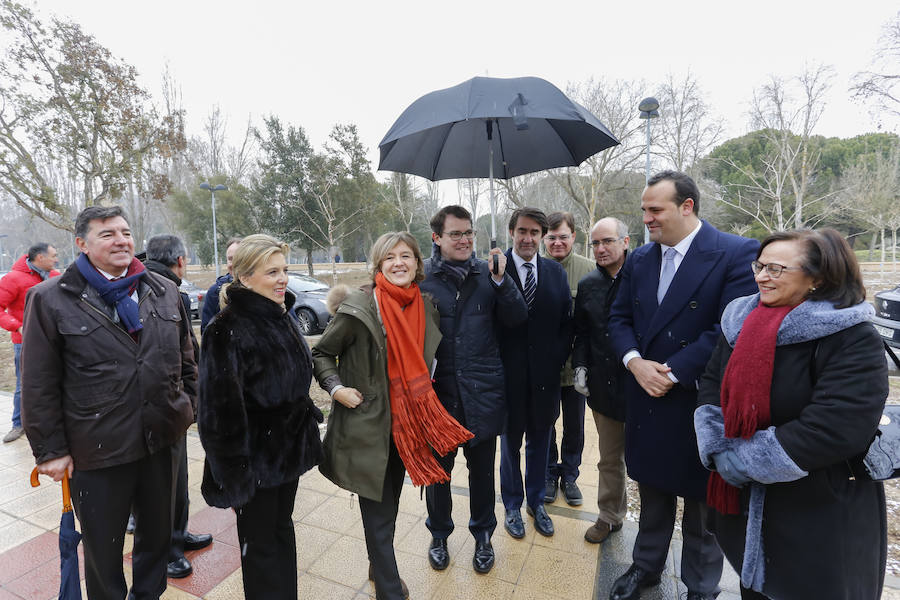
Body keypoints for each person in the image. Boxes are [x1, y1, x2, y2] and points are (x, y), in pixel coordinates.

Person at [694, 229, 888, 600]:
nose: (761, 276)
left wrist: (747, 459)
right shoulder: (741, 322)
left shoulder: (851, 335)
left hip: (819, 513)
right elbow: (712, 384)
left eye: (776, 269)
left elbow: (837, 425)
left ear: (817, 278)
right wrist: (716, 445)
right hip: (748, 505)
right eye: (760, 265)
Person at [21, 206, 196, 600]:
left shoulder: (162, 289)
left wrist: (188, 408)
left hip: (161, 441)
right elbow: (38, 383)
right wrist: (51, 450)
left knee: (156, 542)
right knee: (103, 550)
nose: (121, 240)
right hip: (97, 450)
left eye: (125, 232)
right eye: (107, 234)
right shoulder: (50, 299)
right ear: (82, 244)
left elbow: (187, 359)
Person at [608, 171, 758, 600]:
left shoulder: (734, 253)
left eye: (655, 210)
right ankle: (646, 567)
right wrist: (636, 363)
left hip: (698, 399)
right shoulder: (639, 258)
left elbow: (729, 330)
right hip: (646, 395)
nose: (647, 219)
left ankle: (701, 587)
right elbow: (618, 319)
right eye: (644, 211)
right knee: (652, 493)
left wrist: (671, 372)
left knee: (702, 507)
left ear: (687, 206)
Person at [313, 231, 473, 599]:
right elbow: (321, 354)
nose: (398, 263)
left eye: (406, 256)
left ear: (418, 263)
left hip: (409, 428)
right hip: (369, 427)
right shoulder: (359, 308)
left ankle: (376, 566)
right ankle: (389, 589)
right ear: (378, 265)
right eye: (390, 257)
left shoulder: (425, 307)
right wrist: (337, 388)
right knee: (380, 514)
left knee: (390, 508)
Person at [198, 234, 323, 600]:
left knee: (282, 532)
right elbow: (217, 415)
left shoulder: (280, 313)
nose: (283, 278)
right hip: (253, 464)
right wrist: (236, 477)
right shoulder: (225, 329)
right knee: (260, 548)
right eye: (272, 272)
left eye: (284, 269)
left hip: (286, 454)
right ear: (246, 277)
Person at [420, 206, 528, 574]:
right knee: (439, 477)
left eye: (469, 233)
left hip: (482, 394)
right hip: (439, 398)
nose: (465, 240)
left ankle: (483, 536)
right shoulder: (423, 279)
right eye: (456, 234)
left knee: (482, 475)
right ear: (437, 238)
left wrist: (503, 282)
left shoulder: (489, 273)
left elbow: (517, 319)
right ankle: (439, 534)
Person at [499, 207, 573, 539]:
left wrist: (555, 359)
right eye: (522, 231)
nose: (528, 238)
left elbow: (565, 325)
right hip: (507, 379)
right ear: (511, 232)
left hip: (545, 380)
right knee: (510, 443)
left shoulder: (555, 273)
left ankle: (535, 503)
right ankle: (512, 505)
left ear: (542, 236)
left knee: (540, 442)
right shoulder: (496, 272)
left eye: (534, 233)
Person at [143, 235, 213, 579]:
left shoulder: (170, 289)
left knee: (178, 480)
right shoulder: (149, 288)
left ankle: (178, 535)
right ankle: (165, 551)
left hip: (175, 405)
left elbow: (187, 350)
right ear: (181, 261)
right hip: (157, 408)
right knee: (161, 487)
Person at [572, 217, 630, 544]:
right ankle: (609, 515)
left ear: (625, 241)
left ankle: (652, 522)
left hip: (641, 386)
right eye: (595, 243)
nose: (601, 248)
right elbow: (582, 332)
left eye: (607, 241)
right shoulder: (589, 284)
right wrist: (580, 367)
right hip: (603, 387)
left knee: (646, 457)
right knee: (609, 457)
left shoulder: (643, 278)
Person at [542, 211, 595, 506]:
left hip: (577, 366)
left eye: (563, 236)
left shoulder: (589, 270)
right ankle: (549, 473)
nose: (557, 243)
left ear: (574, 236)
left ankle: (570, 474)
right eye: (551, 237)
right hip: (545, 367)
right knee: (546, 423)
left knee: (575, 425)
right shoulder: (533, 269)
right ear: (543, 239)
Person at [0, 242, 59, 443]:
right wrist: (17, 326)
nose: (56, 259)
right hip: (24, 342)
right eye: (53, 256)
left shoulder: (55, 276)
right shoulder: (13, 279)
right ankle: (18, 424)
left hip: (55, 338)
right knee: (24, 383)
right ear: (40, 258)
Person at [200, 237, 242, 333]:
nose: (234, 264)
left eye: (239, 259)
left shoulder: (261, 289)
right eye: (230, 259)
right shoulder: (215, 292)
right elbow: (206, 332)